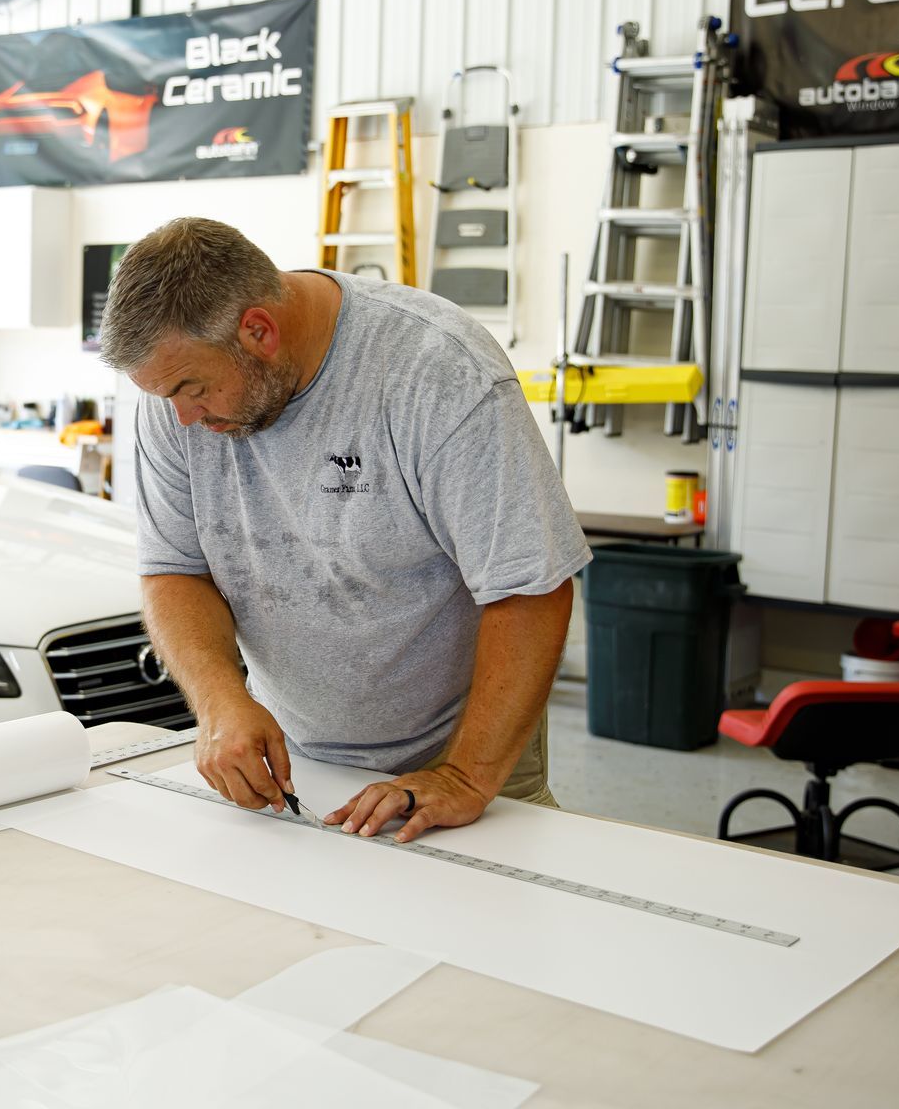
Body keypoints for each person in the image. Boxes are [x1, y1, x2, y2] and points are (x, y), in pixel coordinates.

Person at [99, 218, 589, 843]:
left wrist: (465, 777)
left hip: (467, 757)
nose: (183, 418)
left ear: (258, 331)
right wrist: (221, 700)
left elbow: (529, 585)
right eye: (165, 396)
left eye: (192, 390)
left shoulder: (437, 373)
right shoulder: (176, 398)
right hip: (297, 763)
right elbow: (175, 568)